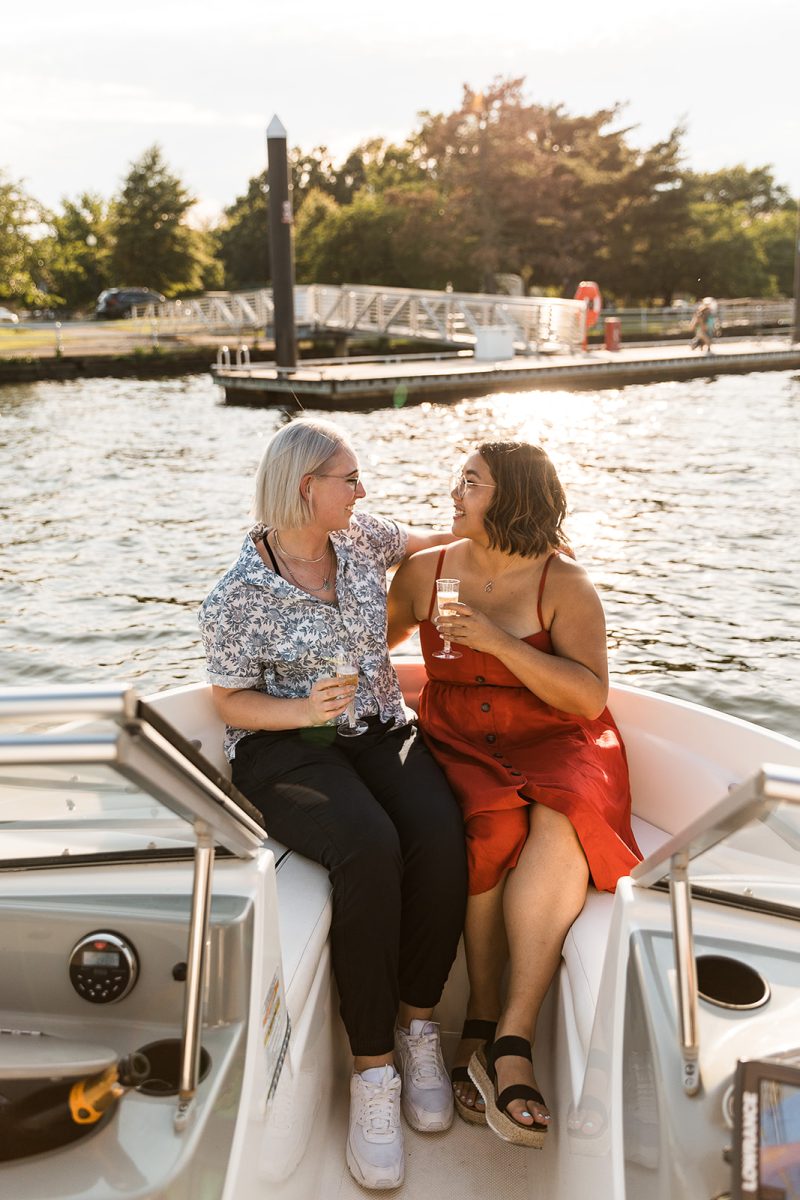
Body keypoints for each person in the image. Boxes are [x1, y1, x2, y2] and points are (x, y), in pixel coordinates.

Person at [199, 418, 467, 1191]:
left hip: (378, 730)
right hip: (289, 745)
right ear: (305, 487)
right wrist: (300, 711)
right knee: (368, 848)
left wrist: (525, 549)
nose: (362, 490)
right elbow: (228, 700)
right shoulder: (237, 595)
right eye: (348, 478)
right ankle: (372, 1072)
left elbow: (423, 543)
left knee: (441, 834)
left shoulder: (362, 539)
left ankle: (419, 1027)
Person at [387, 440, 641, 1149]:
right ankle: (482, 1012)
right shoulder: (424, 571)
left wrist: (499, 644)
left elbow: (589, 699)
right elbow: (368, 645)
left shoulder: (565, 584)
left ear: (512, 499)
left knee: (565, 818)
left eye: (470, 482)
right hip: (458, 736)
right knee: (489, 829)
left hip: (557, 737)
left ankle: (510, 1039)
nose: (454, 492)